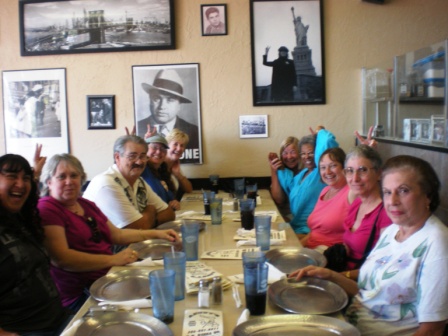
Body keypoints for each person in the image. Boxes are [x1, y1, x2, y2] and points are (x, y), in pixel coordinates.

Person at [290, 155, 448, 336]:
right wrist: (328, 275)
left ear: (427, 195)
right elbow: (368, 295)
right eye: (387, 192)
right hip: (348, 324)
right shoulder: (393, 230)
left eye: (403, 191)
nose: (392, 201)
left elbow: (432, 331)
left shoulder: (437, 244)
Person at [38, 154, 179, 311]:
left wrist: (156, 234)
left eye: (74, 175)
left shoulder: (86, 205)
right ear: (49, 182)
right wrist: (113, 259)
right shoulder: (47, 208)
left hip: (108, 278)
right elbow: (63, 259)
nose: (69, 181)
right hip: (83, 296)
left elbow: (116, 235)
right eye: (61, 177)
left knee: (167, 289)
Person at [0, 154, 69, 336]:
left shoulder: (20, 218)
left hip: (57, 319)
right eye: (12, 176)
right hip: (25, 330)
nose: (21, 184)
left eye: (26, 178)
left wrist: (35, 173)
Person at [83, 135, 175, 230]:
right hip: (104, 244)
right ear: (117, 157)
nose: (139, 162)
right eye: (132, 156)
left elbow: (169, 214)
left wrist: (147, 221)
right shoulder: (107, 183)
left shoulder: (139, 181)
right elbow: (137, 228)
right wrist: (150, 210)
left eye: (143, 156)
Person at [271, 127, 339, 238]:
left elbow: (327, 141)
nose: (306, 157)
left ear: (317, 154)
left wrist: (320, 131)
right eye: (302, 153)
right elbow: (288, 184)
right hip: (295, 227)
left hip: (309, 231)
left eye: (310, 153)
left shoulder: (320, 172)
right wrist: (277, 168)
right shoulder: (301, 175)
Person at [341, 145, 391, 279]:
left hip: (362, 283)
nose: (355, 178)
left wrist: (338, 276)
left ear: (379, 173)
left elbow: (382, 266)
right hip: (344, 272)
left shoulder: (386, 213)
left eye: (363, 170)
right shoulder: (357, 202)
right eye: (350, 171)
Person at [137, 69, 200, 163]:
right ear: (149, 100)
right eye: (156, 98)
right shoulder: (138, 130)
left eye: (170, 100)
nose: (162, 107)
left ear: (179, 105)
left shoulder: (193, 131)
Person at [300, 147, 355, 251]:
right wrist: (297, 247)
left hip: (329, 254)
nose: (328, 172)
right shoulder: (325, 191)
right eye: (323, 167)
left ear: (345, 168)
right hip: (311, 249)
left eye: (333, 166)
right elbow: (315, 232)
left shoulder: (351, 192)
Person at [141, 134, 180, 211]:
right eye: (154, 147)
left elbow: (170, 198)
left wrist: (174, 202)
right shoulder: (143, 168)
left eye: (163, 149)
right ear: (145, 150)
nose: (158, 152)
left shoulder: (162, 171)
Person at [268, 136, 300, 221]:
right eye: (285, 153)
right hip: (282, 216)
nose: (289, 157)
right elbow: (279, 200)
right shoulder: (283, 173)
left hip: (298, 218)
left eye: (293, 152)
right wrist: (274, 171)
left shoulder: (306, 173)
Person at [165, 128, 193, 200]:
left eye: (182, 145)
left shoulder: (175, 165)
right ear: (167, 145)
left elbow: (189, 189)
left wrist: (178, 174)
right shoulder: (158, 164)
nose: (179, 149)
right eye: (175, 144)